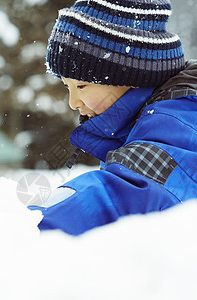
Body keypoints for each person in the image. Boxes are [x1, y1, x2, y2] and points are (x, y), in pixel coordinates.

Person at [28, 0, 197, 235]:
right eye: (67, 87)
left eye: (82, 86)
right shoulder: (144, 117)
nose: (73, 102)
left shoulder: (179, 117)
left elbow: (130, 191)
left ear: (131, 75)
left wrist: (27, 225)